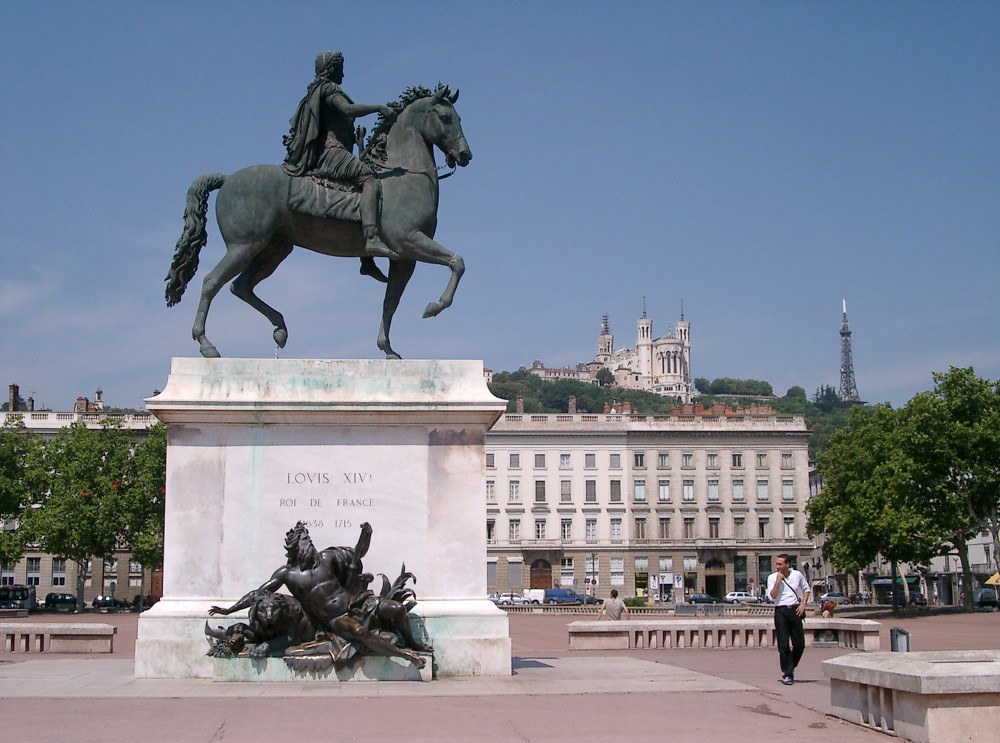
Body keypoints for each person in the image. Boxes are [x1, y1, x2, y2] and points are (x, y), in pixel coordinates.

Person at [282, 50, 398, 271]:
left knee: (357, 190)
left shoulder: (315, 90)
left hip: (336, 149)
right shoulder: (328, 89)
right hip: (331, 152)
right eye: (341, 69)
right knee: (370, 181)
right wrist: (378, 108)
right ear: (333, 69)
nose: (344, 74)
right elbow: (347, 109)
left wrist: (359, 140)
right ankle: (372, 238)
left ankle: (366, 260)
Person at [767, 554, 811, 685]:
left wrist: (803, 603)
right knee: (783, 645)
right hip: (780, 610)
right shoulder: (772, 577)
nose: (777, 567)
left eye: (780, 564)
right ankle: (787, 673)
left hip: (795, 610)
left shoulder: (797, 575)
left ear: (787, 565)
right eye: (776, 564)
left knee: (799, 644)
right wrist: (778, 582)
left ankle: (790, 666)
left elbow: (806, 589)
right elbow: (772, 597)